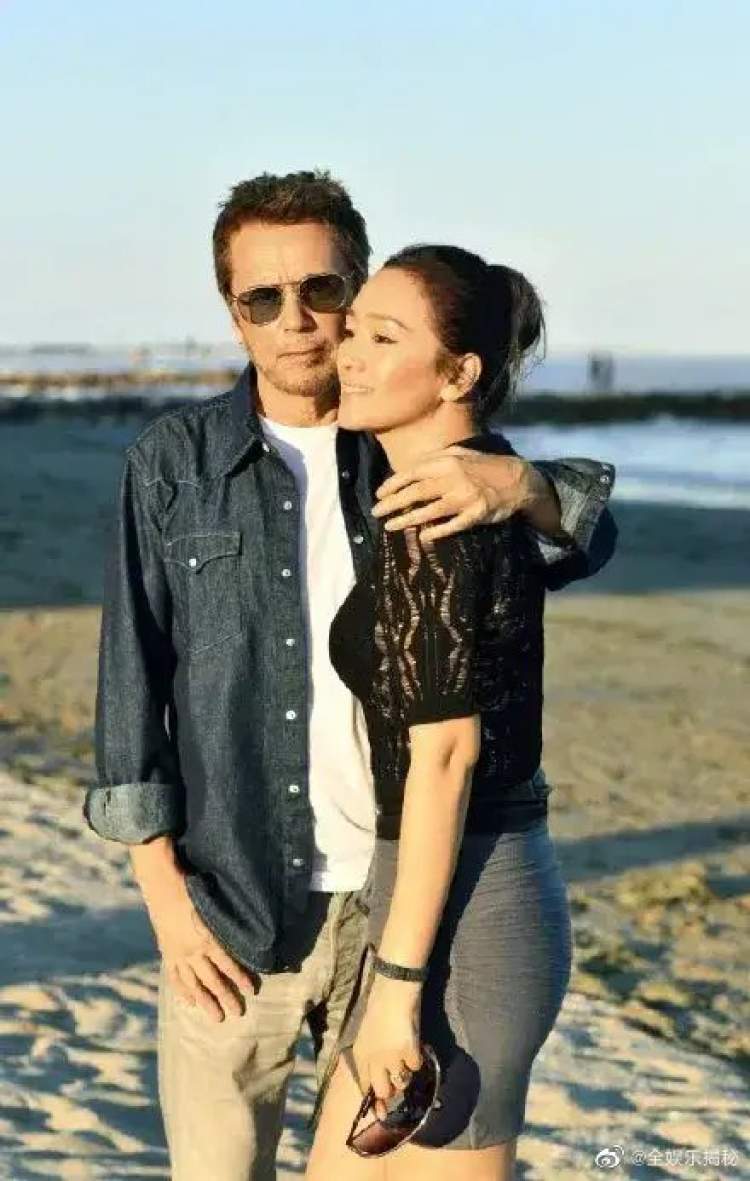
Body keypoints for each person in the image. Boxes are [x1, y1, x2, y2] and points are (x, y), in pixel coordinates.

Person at [82, 170, 617, 1181]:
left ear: (358, 287)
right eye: (262, 298)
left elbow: (580, 542)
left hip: (393, 905)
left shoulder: (417, 455)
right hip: (234, 907)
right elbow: (129, 692)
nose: (297, 321)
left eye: (323, 291)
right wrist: (168, 907)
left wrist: (524, 482)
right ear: (231, 311)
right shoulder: (172, 464)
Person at [305, 245, 593, 1181]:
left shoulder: (445, 514)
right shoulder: (456, 485)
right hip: (421, 897)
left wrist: (396, 986)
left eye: (385, 337)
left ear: (459, 373)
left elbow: (444, 759)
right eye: (354, 330)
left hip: (468, 909)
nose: (350, 352)